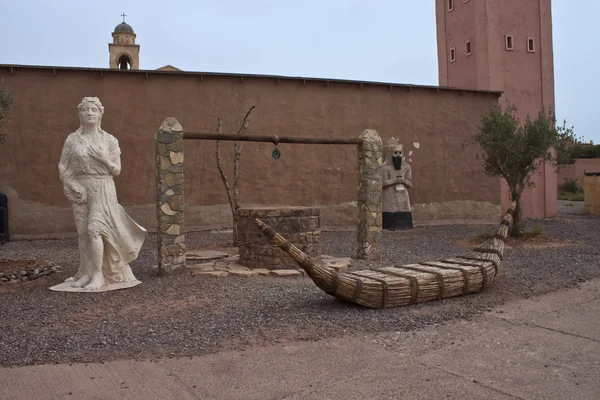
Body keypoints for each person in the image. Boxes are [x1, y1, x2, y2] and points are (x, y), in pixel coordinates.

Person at [58, 97, 146, 290]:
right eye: (86, 110)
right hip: (80, 188)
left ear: (100, 113)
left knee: (95, 230)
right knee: (82, 233)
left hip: (103, 187)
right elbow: (63, 165)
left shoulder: (109, 140)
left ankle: (99, 275)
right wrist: (71, 183)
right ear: (79, 114)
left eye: (94, 109)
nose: (90, 113)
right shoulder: (72, 139)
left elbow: (117, 170)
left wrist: (103, 158)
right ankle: (86, 272)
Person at [381, 140, 413, 230]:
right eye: (395, 153)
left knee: (404, 208)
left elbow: (410, 183)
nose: (398, 155)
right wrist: (395, 180)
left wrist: (402, 181)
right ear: (390, 154)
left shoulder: (407, 167)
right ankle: (390, 225)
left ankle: (405, 225)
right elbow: (383, 183)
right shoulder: (385, 168)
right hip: (390, 196)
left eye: (400, 153)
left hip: (403, 194)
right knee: (391, 209)